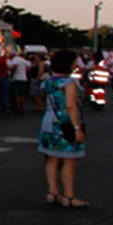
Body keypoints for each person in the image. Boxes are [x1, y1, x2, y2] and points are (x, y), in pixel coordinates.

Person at [40, 49, 87, 208]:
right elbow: (70, 105)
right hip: (65, 124)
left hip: (48, 124)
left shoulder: (48, 81)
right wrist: (77, 128)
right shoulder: (69, 83)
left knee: (52, 158)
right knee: (68, 159)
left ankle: (52, 192)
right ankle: (69, 195)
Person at [9, 50, 31, 115]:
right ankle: (22, 107)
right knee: (22, 94)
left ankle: (18, 108)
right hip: (24, 78)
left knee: (17, 94)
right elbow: (29, 65)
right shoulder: (22, 60)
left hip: (16, 78)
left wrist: (12, 73)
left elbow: (14, 66)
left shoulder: (14, 60)